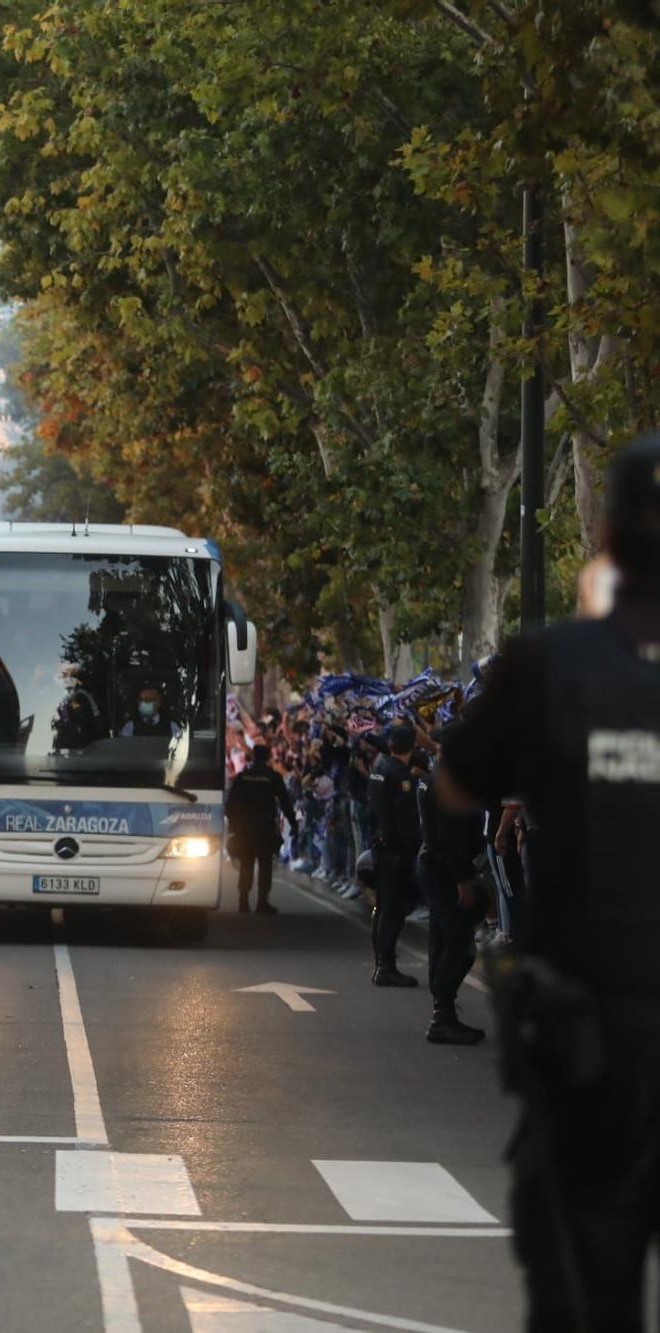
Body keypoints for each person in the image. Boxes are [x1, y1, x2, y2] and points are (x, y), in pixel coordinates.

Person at [439, 433, 660, 1329]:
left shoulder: (550, 665)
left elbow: (455, 781)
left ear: (602, 533)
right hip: (594, 1026)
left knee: (584, 1286)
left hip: (592, 1036)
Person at [414, 747, 487, 1046]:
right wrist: (462, 879)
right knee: (461, 944)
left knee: (442, 938)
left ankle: (442, 1012)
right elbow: (451, 835)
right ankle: (441, 1017)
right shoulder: (448, 782)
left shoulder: (434, 777)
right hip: (446, 871)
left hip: (435, 866)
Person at [365, 724, 422, 988]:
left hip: (380, 845)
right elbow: (407, 821)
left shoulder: (379, 767)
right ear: (412, 746)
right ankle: (386, 966)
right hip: (396, 851)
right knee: (392, 910)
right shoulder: (400, 775)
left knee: (383, 907)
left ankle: (381, 961)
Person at [225, 742, 297, 913]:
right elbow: (286, 802)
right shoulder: (273, 777)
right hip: (265, 827)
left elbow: (230, 805)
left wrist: (234, 826)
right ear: (268, 758)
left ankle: (243, 902)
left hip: (245, 827)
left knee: (246, 863)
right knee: (265, 865)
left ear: (254, 756)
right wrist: (293, 823)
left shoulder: (243, 777)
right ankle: (262, 902)